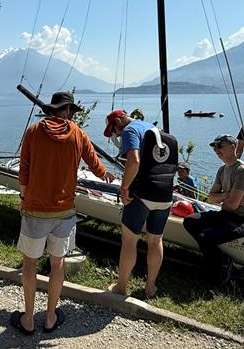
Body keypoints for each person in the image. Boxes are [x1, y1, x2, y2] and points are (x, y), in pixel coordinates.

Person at [12, 92, 113, 334]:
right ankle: (49, 318)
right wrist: (108, 176)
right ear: (67, 110)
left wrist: (24, 198)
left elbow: (23, 170)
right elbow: (94, 163)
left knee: (30, 263)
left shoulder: (34, 132)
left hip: (36, 209)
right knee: (57, 264)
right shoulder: (77, 133)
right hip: (65, 211)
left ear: (52, 109)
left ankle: (27, 319)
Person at [104, 110, 178, 298]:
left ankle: (121, 288)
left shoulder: (130, 130)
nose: (116, 134)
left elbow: (134, 161)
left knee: (129, 240)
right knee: (155, 241)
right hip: (165, 195)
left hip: (142, 194)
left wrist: (124, 187)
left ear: (119, 120)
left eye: (114, 129)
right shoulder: (155, 129)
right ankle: (150, 287)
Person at [183, 134, 244, 290]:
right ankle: (223, 259)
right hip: (227, 215)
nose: (216, 149)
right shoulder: (222, 170)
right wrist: (226, 194)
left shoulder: (243, 170)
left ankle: (217, 273)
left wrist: (224, 197)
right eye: (213, 146)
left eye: (220, 145)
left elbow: (232, 205)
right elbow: (210, 198)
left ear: (233, 146)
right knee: (190, 220)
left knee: (206, 237)